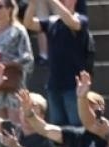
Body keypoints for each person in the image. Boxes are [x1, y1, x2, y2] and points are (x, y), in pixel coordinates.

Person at [28, 0, 94, 129]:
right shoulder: (52, 22)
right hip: (54, 84)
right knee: (58, 128)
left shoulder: (81, 19)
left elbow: (72, 22)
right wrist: (32, 5)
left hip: (74, 85)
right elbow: (29, 23)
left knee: (77, 127)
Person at [0, 0, 36, 110]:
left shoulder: (18, 31)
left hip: (12, 85)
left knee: (14, 123)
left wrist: (7, 64)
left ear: (9, 9)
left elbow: (28, 60)